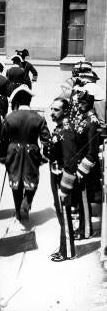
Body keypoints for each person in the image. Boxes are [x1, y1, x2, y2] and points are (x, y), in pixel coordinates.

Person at [0, 85, 51, 226]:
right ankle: (26, 204)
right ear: (29, 101)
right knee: (32, 180)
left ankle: (18, 211)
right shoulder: (38, 118)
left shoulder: (9, 118)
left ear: (16, 102)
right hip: (31, 152)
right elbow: (46, 140)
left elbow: (3, 140)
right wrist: (45, 156)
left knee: (15, 181)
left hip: (13, 152)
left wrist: (3, 157)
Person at [49, 97, 77, 261]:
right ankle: (63, 247)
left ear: (65, 111)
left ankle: (68, 252)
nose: (52, 112)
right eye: (51, 109)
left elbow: (70, 162)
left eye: (56, 110)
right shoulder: (59, 128)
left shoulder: (66, 130)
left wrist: (65, 188)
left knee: (64, 213)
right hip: (56, 174)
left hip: (62, 178)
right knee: (61, 212)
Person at [72, 90, 101, 240]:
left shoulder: (92, 121)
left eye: (83, 103)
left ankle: (86, 231)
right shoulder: (82, 118)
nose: (80, 105)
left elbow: (92, 151)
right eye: (80, 102)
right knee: (79, 200)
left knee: (84, 200)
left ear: (89, 103)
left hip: (85, 169)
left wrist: (82, 170)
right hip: (77, 165)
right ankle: (82, 227)